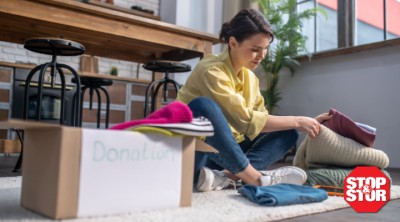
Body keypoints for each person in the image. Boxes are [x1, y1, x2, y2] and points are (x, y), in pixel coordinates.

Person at [176, 9, 331, 192]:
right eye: (255, 50)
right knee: (203, 106)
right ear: (233, 43)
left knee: (287, 132)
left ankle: (227, 177)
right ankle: (255, 178)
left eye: (265, 49)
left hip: (226, 158)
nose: (262, 55)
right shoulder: (211, 70)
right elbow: (245, 121)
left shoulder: (251, 79)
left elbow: (261, 123)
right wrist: (298, 120)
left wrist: (306, 123)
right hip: (197, 154)